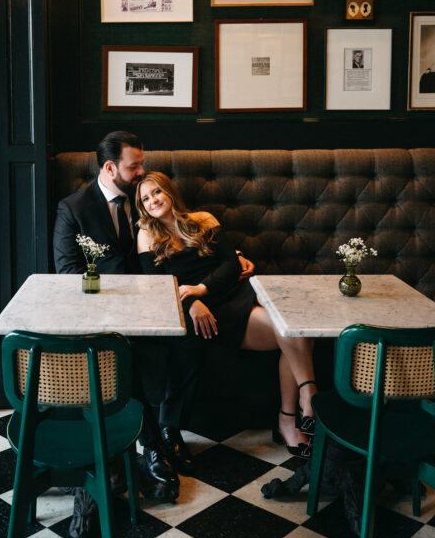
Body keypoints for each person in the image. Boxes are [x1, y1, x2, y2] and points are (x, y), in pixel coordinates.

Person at [53, 131, 254, 498]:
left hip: (163, 297)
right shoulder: (75, 208)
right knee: (131, 350)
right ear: (110, 167)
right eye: (135, 166)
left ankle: (166, 432)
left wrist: (230, 258)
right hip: (113, 307)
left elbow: (184, 236)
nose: (142, 171)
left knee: (188, 335)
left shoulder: (141, 195)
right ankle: (152, 447)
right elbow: (68, 274)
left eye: (142, 165)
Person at [136, 171, 318, 458]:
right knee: (292, 333)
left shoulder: (203, 220)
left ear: (169, 191)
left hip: (233, 292)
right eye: (145, 198)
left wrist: (201, 289)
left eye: (156, 192)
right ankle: (298, 409)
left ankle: (296, 410)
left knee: (296, 328)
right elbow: (157, 286)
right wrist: (192, 302)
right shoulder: (146, 235)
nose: (152, 201)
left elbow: (231, 265)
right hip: (212, 311)